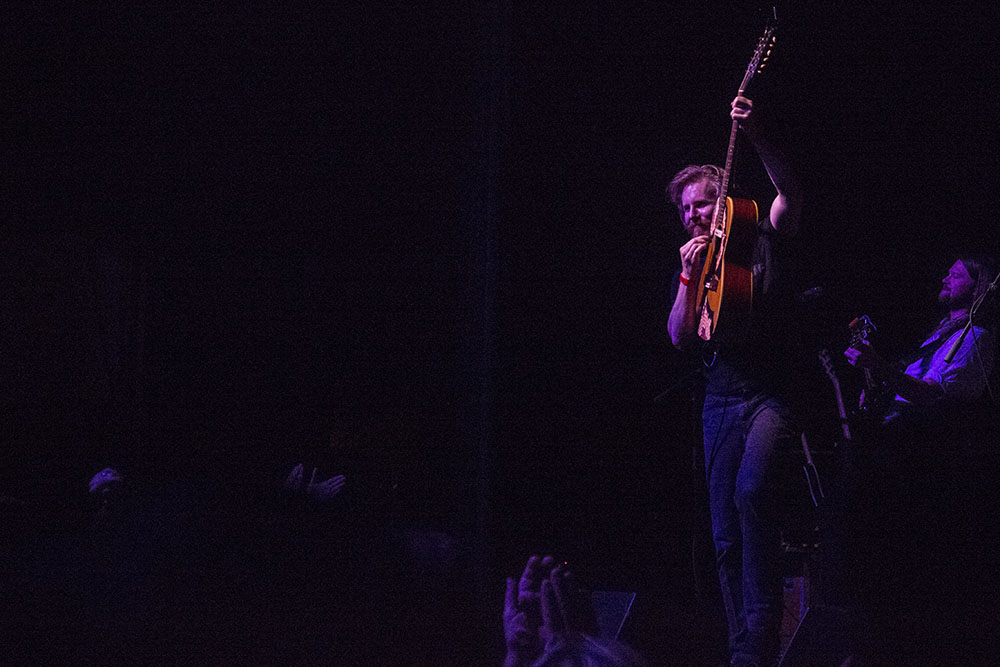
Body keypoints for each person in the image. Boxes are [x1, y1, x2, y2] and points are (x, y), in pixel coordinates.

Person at [666, 95, 803, 666]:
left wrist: (757, 136)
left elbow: (792, 196)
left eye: (703, 204)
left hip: (771, 390)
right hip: (720, 394)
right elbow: (680, 336)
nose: (695, 215)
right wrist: (686, 275)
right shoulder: (697, 261)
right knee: (723, 533)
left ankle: (763, 639)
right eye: (686, 210)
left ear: (723, 202)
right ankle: (741, 650)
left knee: (752, 493)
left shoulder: (759, 236)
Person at [840, 254, 998, 663]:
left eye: (957, 272)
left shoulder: (978, 335)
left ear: (978, 285)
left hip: (927, 466)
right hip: (899, 456)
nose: (945, 275)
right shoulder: (939, 335)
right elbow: (908, 389)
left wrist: (882, 369)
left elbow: (940, 398)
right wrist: (874, 380)